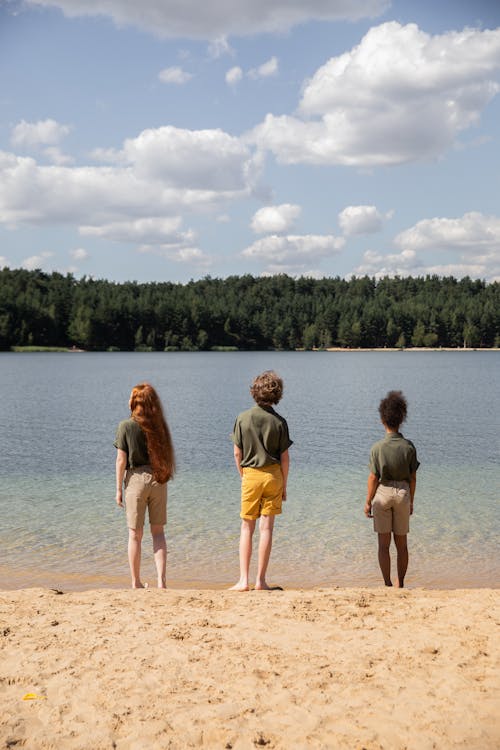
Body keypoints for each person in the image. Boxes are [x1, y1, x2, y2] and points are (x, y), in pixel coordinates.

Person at [230, 370, 293, 591]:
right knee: (266, 529)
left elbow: (237, 453)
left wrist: (243, 475)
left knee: (247, 528)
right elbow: (285, 458)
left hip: (250, 475)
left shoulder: (242, 418)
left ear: (255, 392)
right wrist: (284, 485)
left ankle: (243, 580)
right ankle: (261, 581)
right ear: (276, 395)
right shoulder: (279, 421)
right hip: (273, 475)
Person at [114, 383, 175, 589]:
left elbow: (121, 461)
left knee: (135, 535)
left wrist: (118, 489)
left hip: (136, 480)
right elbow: (167, 457)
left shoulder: (126, 426)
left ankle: (136, 582)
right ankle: (161, 581)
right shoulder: (160, 426)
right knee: (158, 533)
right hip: (158, 479)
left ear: (134, 402)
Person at [364, 390, 419, 588]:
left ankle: (387, 583)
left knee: (383, 545)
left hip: (383, 494)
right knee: (402, 545)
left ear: (382, 419)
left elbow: (373, 477)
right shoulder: (408, 447)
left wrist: (368, 501)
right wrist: (411, 500)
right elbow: (413, 478)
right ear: (402, 418)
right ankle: (401, 583)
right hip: (402, 493)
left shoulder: (377, 448)